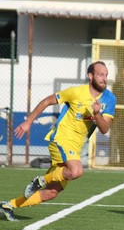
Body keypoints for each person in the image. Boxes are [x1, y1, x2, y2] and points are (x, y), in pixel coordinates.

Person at [0, 61, 116, 221]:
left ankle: (8, 205)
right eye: (100, 74)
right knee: (76, 171)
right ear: (91, 76)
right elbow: (47, 101)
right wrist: (28, 122)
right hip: (61, 139)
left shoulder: (110, 99)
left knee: (52, 192)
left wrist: (97, 115)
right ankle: (39, 180)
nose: (104, 78)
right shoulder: (76, 92)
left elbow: (104, 128)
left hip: (76, 147)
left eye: (106, 74)